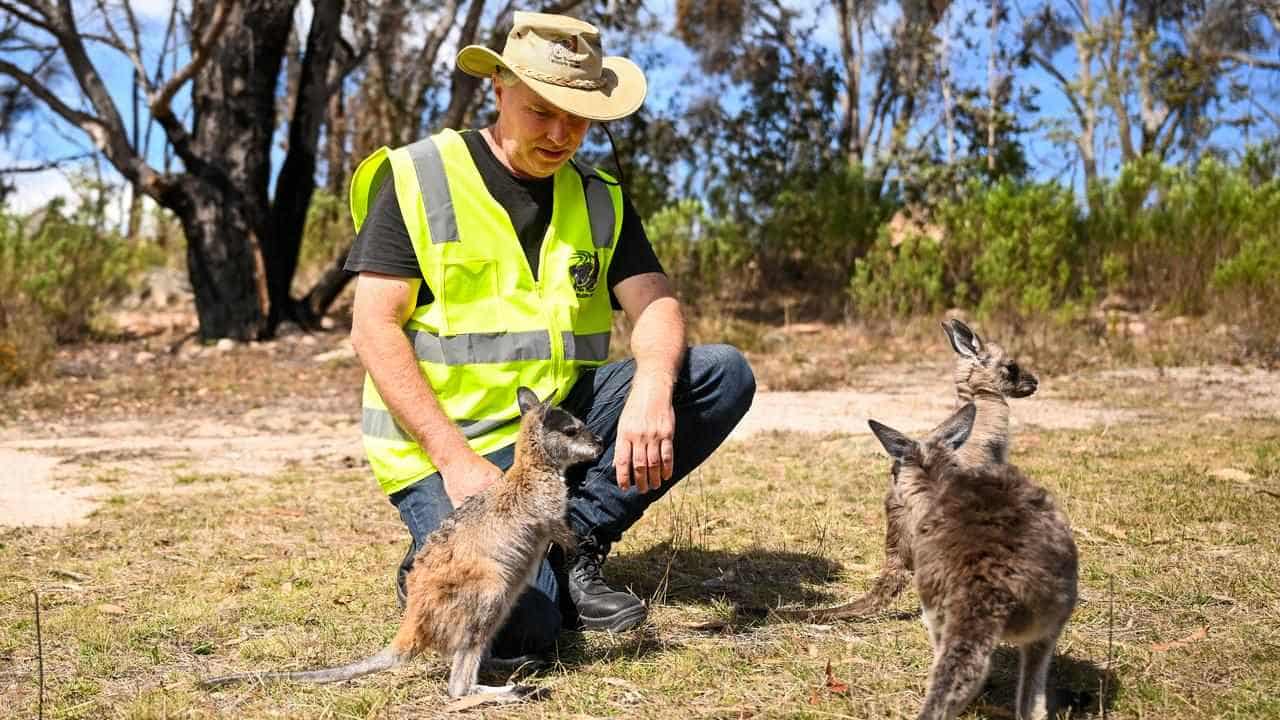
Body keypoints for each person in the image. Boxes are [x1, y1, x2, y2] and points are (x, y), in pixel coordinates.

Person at [343, 10, 755, 661]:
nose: (564, 134)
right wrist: (454, 462)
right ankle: (432, 563)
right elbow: (373, 330)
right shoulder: (419, 177)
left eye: (580, 116)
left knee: (717, 373)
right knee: (523, 631)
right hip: (449, 449)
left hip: (552, 433)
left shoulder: (599, 196)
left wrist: (651, 388)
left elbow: (656, 306)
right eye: (542, 112)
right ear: (499, 88)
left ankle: (572, 549)